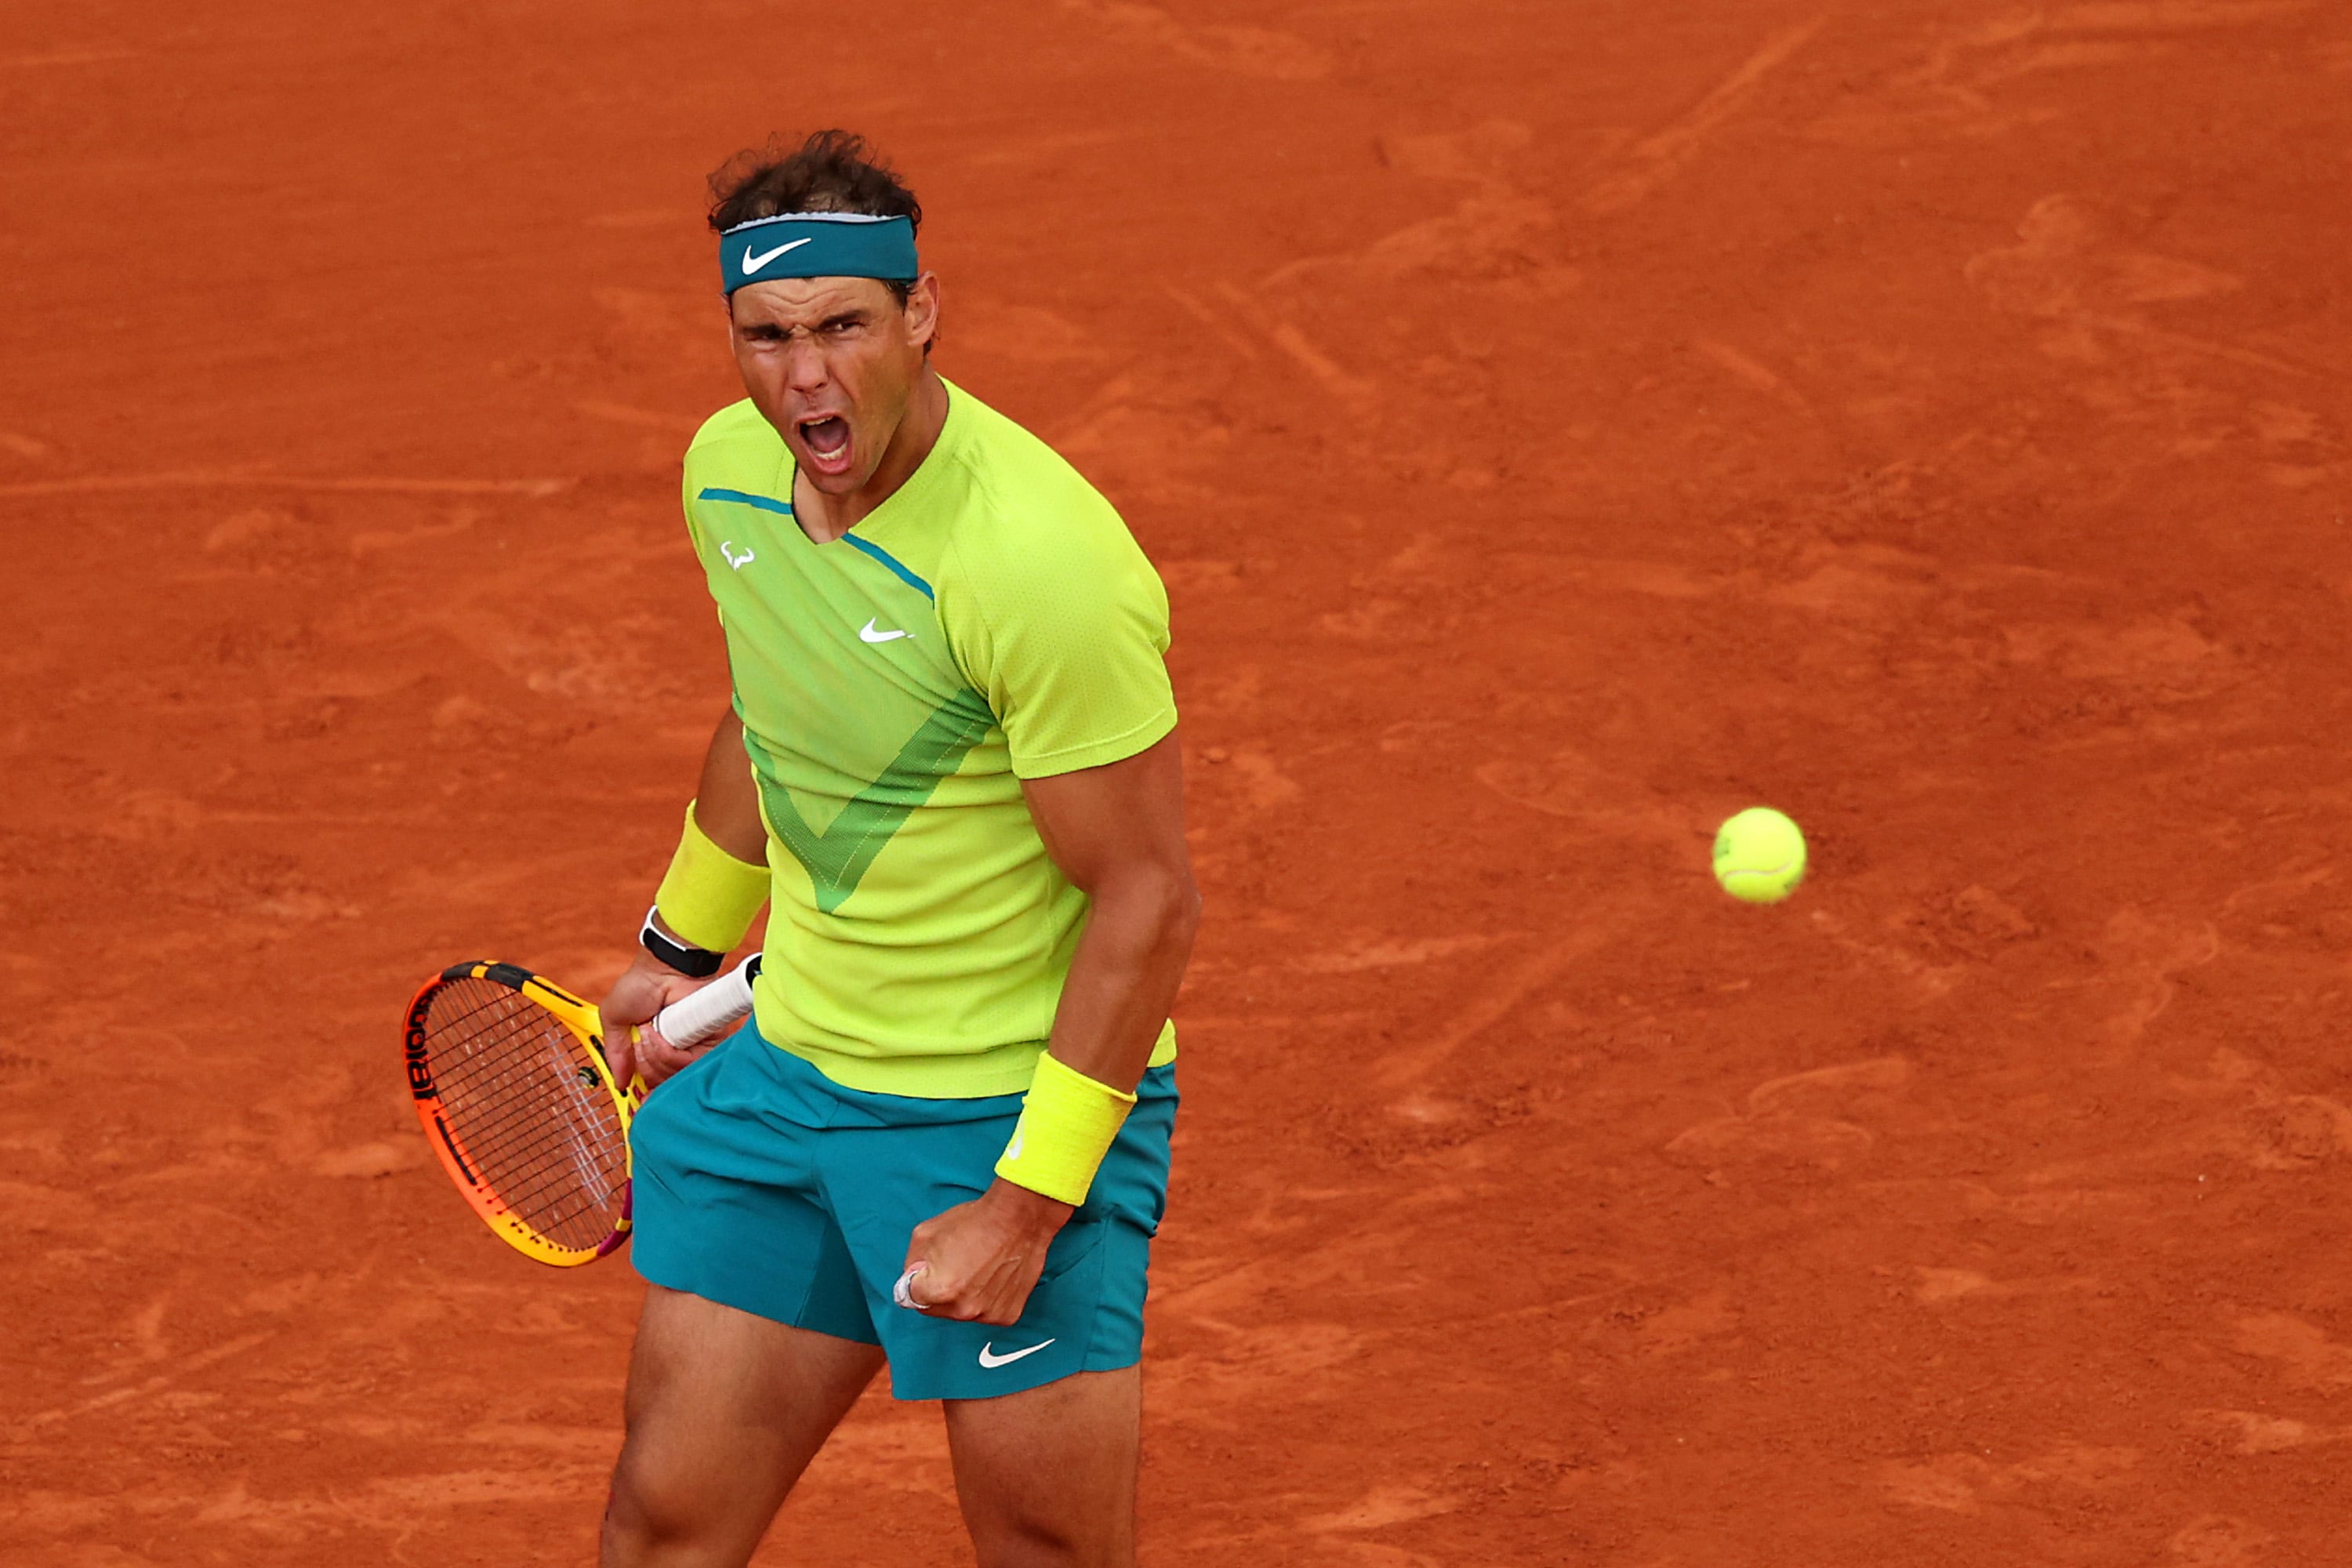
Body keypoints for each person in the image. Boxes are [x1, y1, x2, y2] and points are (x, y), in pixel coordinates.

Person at [593, 129, 1200, 1568]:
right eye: (769, 335)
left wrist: (1026, 1199)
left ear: (920, 312)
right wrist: (675, 956)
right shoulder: (729, 479)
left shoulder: (1036, 563)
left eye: (845, 326)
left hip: (992, 1112)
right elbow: (770, 719)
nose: (805, 377)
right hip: (789, 1087)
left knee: (1046, 1555)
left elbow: (1147, 897)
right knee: (662, 1529)